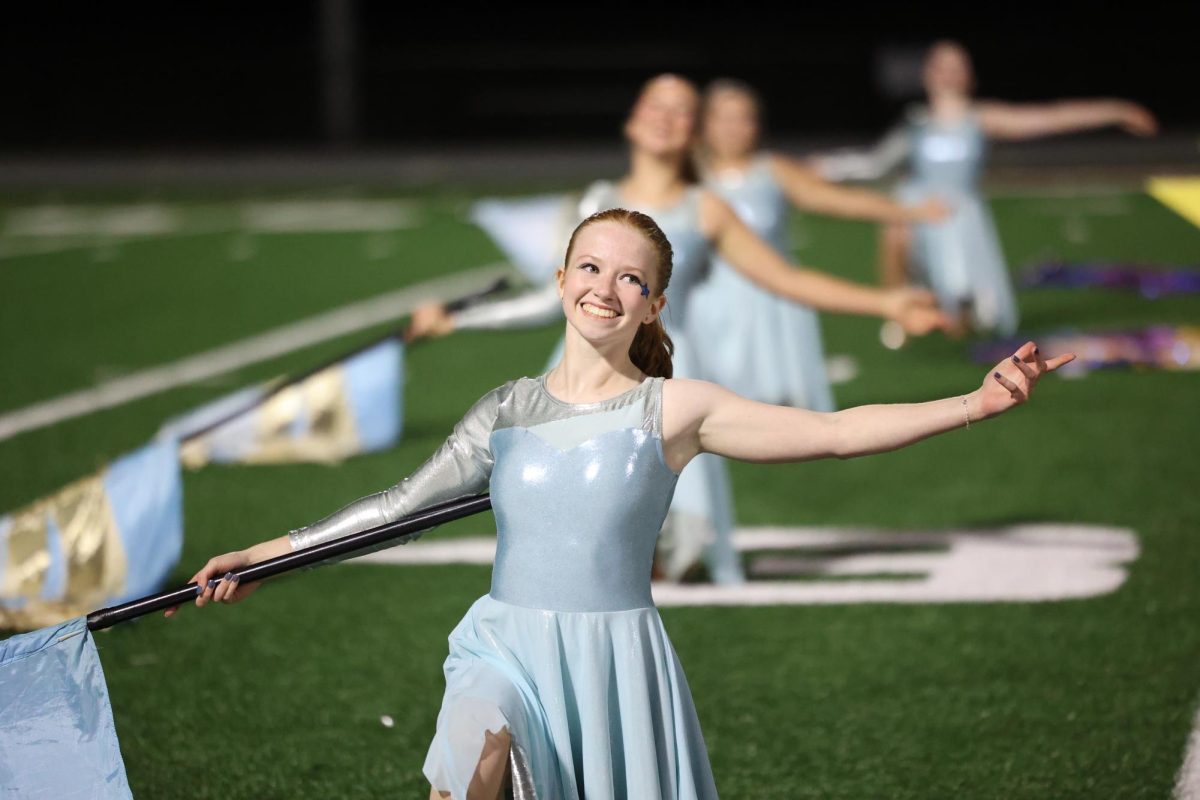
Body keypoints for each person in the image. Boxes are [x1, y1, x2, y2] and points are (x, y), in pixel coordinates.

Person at [169, 209, 1073, 800]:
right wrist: (266, 553)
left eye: (630, 278)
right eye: (589, 268)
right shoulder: (505, 409)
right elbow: (393, 506)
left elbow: (833, 430)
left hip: (612, 669)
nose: (606, 287)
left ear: (654, 305)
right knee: (469, 746)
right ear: (561, 281)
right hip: (505, 644)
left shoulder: (672, 411)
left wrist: (975, 402)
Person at [408, 73, 950, 586]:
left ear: (695, 130)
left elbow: (784, 279)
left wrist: (886, 300)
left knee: (680, 546)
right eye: (655, 104)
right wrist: (458, 318)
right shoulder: (595, 204)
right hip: (587, 376)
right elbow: (550, 299)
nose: (666, 117)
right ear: (633, 119)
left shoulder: (707, 208)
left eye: (682, 110)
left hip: (669, 375)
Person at [816, 40, 1157, 337]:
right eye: (941, 66)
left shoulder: (981, 118)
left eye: (956, 66)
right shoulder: (915, 124)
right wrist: (823, 167)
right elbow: (874, 162)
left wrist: (1116, 110)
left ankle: (956, 310)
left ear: (970, 75)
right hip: (921, 213)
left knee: (965, 314)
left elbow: (1048, 117)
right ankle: (896, 312)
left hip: (960, 217)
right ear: (927, 74)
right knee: (894, 227)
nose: (948, 73)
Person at [692, 78, 947, 410]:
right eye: (724, 118)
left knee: (780, 404)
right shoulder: (690, 178)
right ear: (706, 124)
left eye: (744, 118)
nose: (734, 128)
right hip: (712, 298)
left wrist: (909, 211)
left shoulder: (772, 171)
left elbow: (836, 200)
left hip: (775, 292)